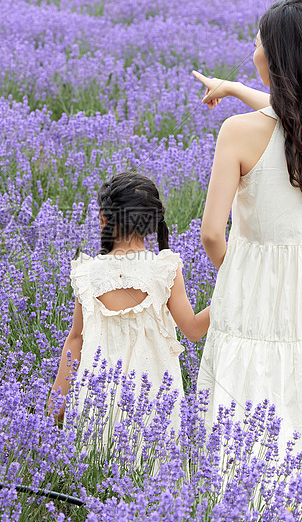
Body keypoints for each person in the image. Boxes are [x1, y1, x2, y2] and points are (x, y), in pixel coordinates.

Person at [192, 0, 302, 494]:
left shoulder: (237, 133)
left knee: (246, 388)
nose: (253, 54)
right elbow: (297, 121)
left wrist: (241, 273)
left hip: (252, 282)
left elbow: (210, 233)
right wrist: (236, 90)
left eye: (257, 45)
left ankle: (240, 498)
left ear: (276, 58)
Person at [48, 171, 210, 453]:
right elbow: (194, 330)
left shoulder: (85, 271)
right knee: (155, 483)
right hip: (155, 397)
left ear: (103, 218)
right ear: (151, 223)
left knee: (93, 479)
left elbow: (76, 339)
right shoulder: (165, 268)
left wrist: (57, 404)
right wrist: (228, 299)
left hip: (95, 397)